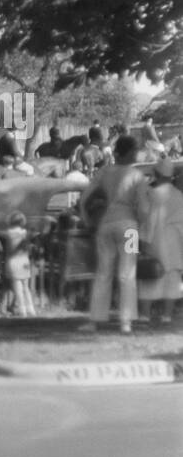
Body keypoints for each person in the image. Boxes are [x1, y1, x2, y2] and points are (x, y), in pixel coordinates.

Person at [80, 134, 150, 333]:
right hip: (129, 227)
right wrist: (141, 226)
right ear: (129, 153)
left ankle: (95, 320)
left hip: (105, 225)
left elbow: (85, 197)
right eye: (135, 151)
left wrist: (86, 219)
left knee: (103, 273)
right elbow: (143, 208)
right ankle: (125, 321)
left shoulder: (104, 172)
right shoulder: (137, 176)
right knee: (127, 273)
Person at [138, 160, 183, 324]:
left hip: (155, 237)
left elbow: (144, 217)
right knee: (172, 277)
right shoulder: (179, 195)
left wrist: (141, 241)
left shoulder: (151, 194)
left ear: (156, 174)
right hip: (175, 240)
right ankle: (167, 315)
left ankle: (144, 314)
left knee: (150, 275)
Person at [0, 211, 36, 317]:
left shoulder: (8, 233)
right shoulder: (24, 232)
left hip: (13, 261)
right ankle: (31, 309)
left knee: (17, 287)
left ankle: (22, 309)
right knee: (26, 287)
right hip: (24, 261)